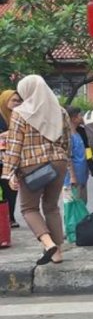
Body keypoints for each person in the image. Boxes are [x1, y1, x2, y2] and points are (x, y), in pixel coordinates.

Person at [1, 75, 71, 265]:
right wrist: (67, 162)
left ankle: (49, 245)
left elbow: (15, 144)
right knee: (51, 206)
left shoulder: (20, 113)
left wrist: (9, 172)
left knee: (28, 208)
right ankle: (58, 253)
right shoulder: (61, 111)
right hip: (58, 162)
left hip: (32, 164)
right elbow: (66, 140)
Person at [0, 90, 23, 229]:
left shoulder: (18, 116)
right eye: (14, 100)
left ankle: (10, 217)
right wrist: (10, 133)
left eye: (19, 101)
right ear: (4, 100)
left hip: (12, 157)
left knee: (12, 187)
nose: (17, 103)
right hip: (1, 157)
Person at [63, 107, 89, 205]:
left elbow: (88, 149)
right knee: (72, 208)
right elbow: (68, 157)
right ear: (73, 118)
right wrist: (72, 176)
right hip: (72, 180)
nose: (82, 117)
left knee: (82, 206)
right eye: (80, 115)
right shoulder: (68, 136)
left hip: (82, 178)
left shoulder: (80, 133)